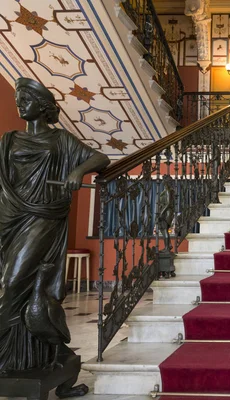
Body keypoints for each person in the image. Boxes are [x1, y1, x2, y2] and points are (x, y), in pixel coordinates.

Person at [0, 78, 110, 372]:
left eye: (27, 100)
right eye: (18, 100)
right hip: (11, 217)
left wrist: (78, 170)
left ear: (44, 107)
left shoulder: (61, 140)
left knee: (13, 283)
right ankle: (28, 357)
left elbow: (101, 157)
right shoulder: (9, 140)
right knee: (8, 282)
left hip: (44, 217)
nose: (20, 105)